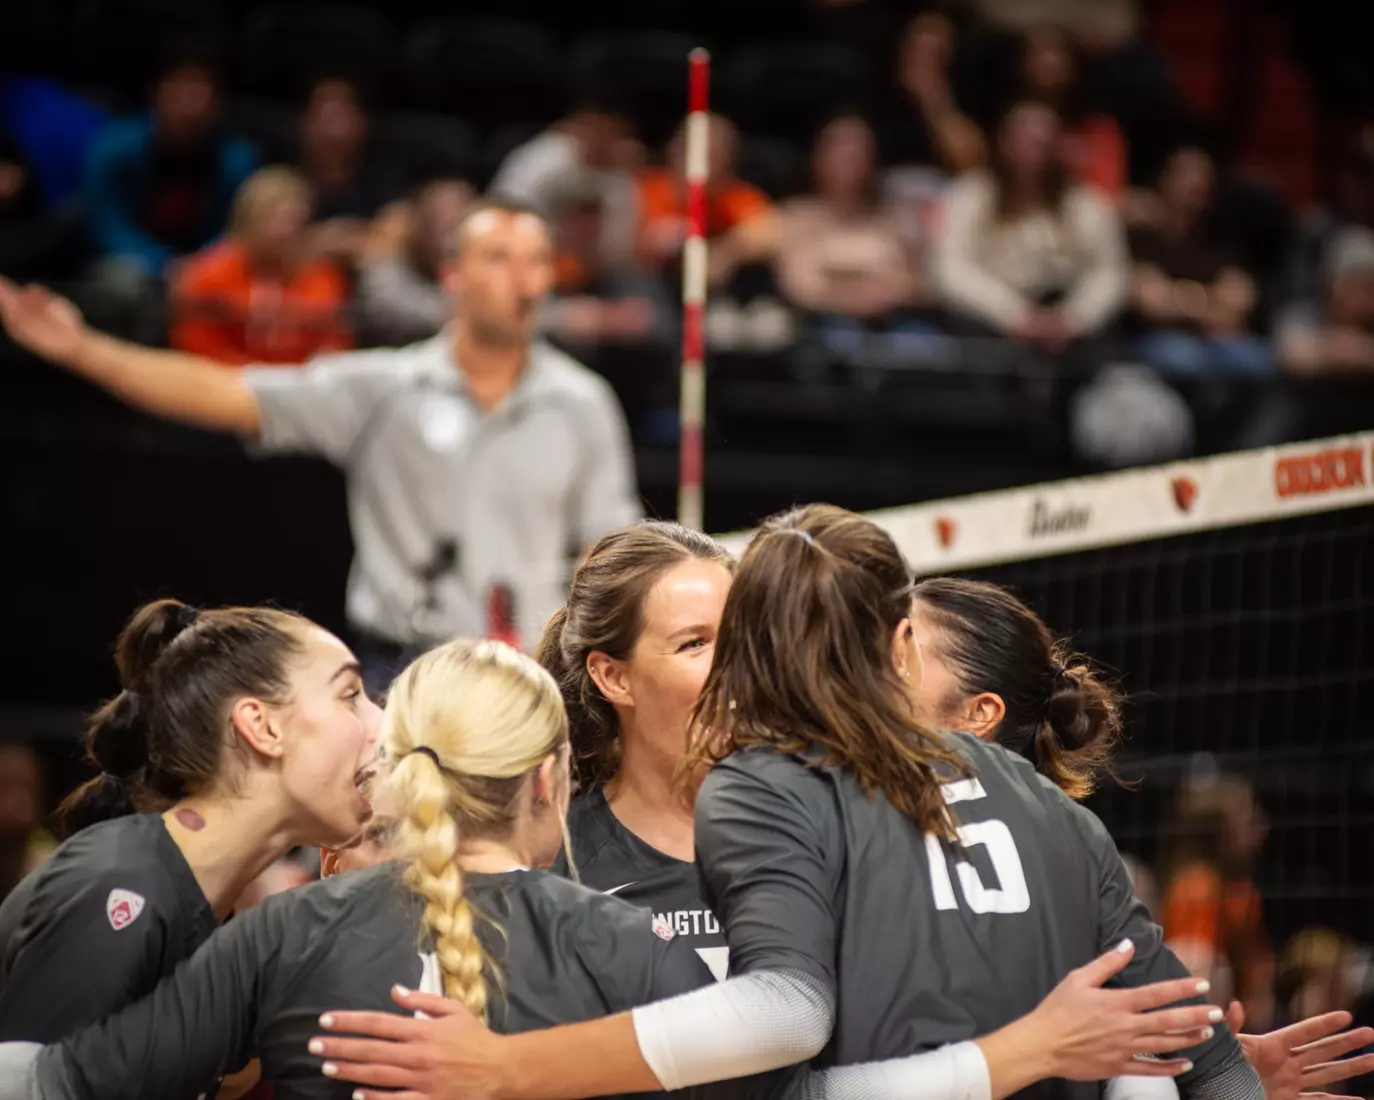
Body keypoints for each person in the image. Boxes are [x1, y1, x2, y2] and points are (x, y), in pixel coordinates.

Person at [307, 504, 1263, 1100]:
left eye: (736, 635)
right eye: (692, 643)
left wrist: (504, 1074)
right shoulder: (540, 848)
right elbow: (1187, 1052)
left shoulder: (793, 797)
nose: (726, 669)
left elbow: (786, 1034)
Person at [0, 639, 1215, 1100]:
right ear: (549, 783)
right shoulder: (622, 945)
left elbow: (54, 1079)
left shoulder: (281, 936)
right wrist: (1027, 1050)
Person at [0, 198, 641, 693]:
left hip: (531, 671)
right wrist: (82, 350)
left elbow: (608, 550)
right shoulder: (385, 388)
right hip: (405, 666)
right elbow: (229, 393)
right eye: (499, 258)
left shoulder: (583, 401)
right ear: (452, 275)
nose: (525, 281)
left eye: (537, 261)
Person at [0, 598, 379, 1053]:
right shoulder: (121, 885)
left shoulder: (220, 915)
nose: (380, 724)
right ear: (263, 727)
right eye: (351, 695)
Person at [539, 521, 735, 980]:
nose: (737, 665)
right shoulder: (558, 863)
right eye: (695, 643)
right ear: (614, 677)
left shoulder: (820, 833)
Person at [170, 166, 353, 365]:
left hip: (298, 387)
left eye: (293, 222)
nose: (284, 232)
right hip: (225, 384)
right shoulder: (209, 275)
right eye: (273, 221)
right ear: (248, 222)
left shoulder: (321, 277)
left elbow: (333, 344)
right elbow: (196, 345)